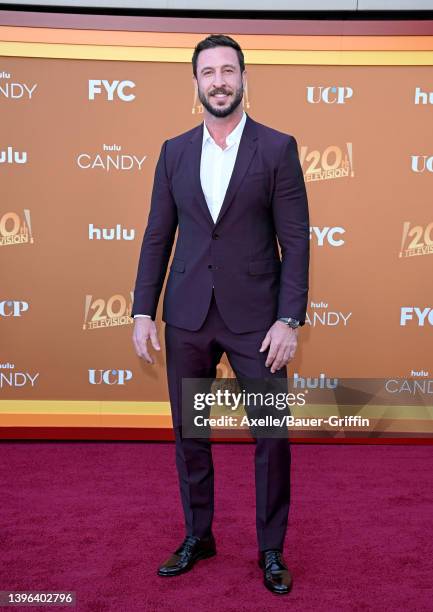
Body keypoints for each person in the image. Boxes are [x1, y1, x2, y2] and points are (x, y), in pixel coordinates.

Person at [131, 34, 309, 595]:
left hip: (257, 319)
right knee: (190, 435)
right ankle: (198, 536)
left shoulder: (277, 148)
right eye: (208, 72)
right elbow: (158, 236)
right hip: (186, 313)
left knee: (272, 438)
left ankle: (271, 549)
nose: (219, 81)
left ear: (243, 78)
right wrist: (142, 310)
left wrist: (289, 319)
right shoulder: (173, 150)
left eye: (228, 70)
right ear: (196, 83)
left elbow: (297, 242)